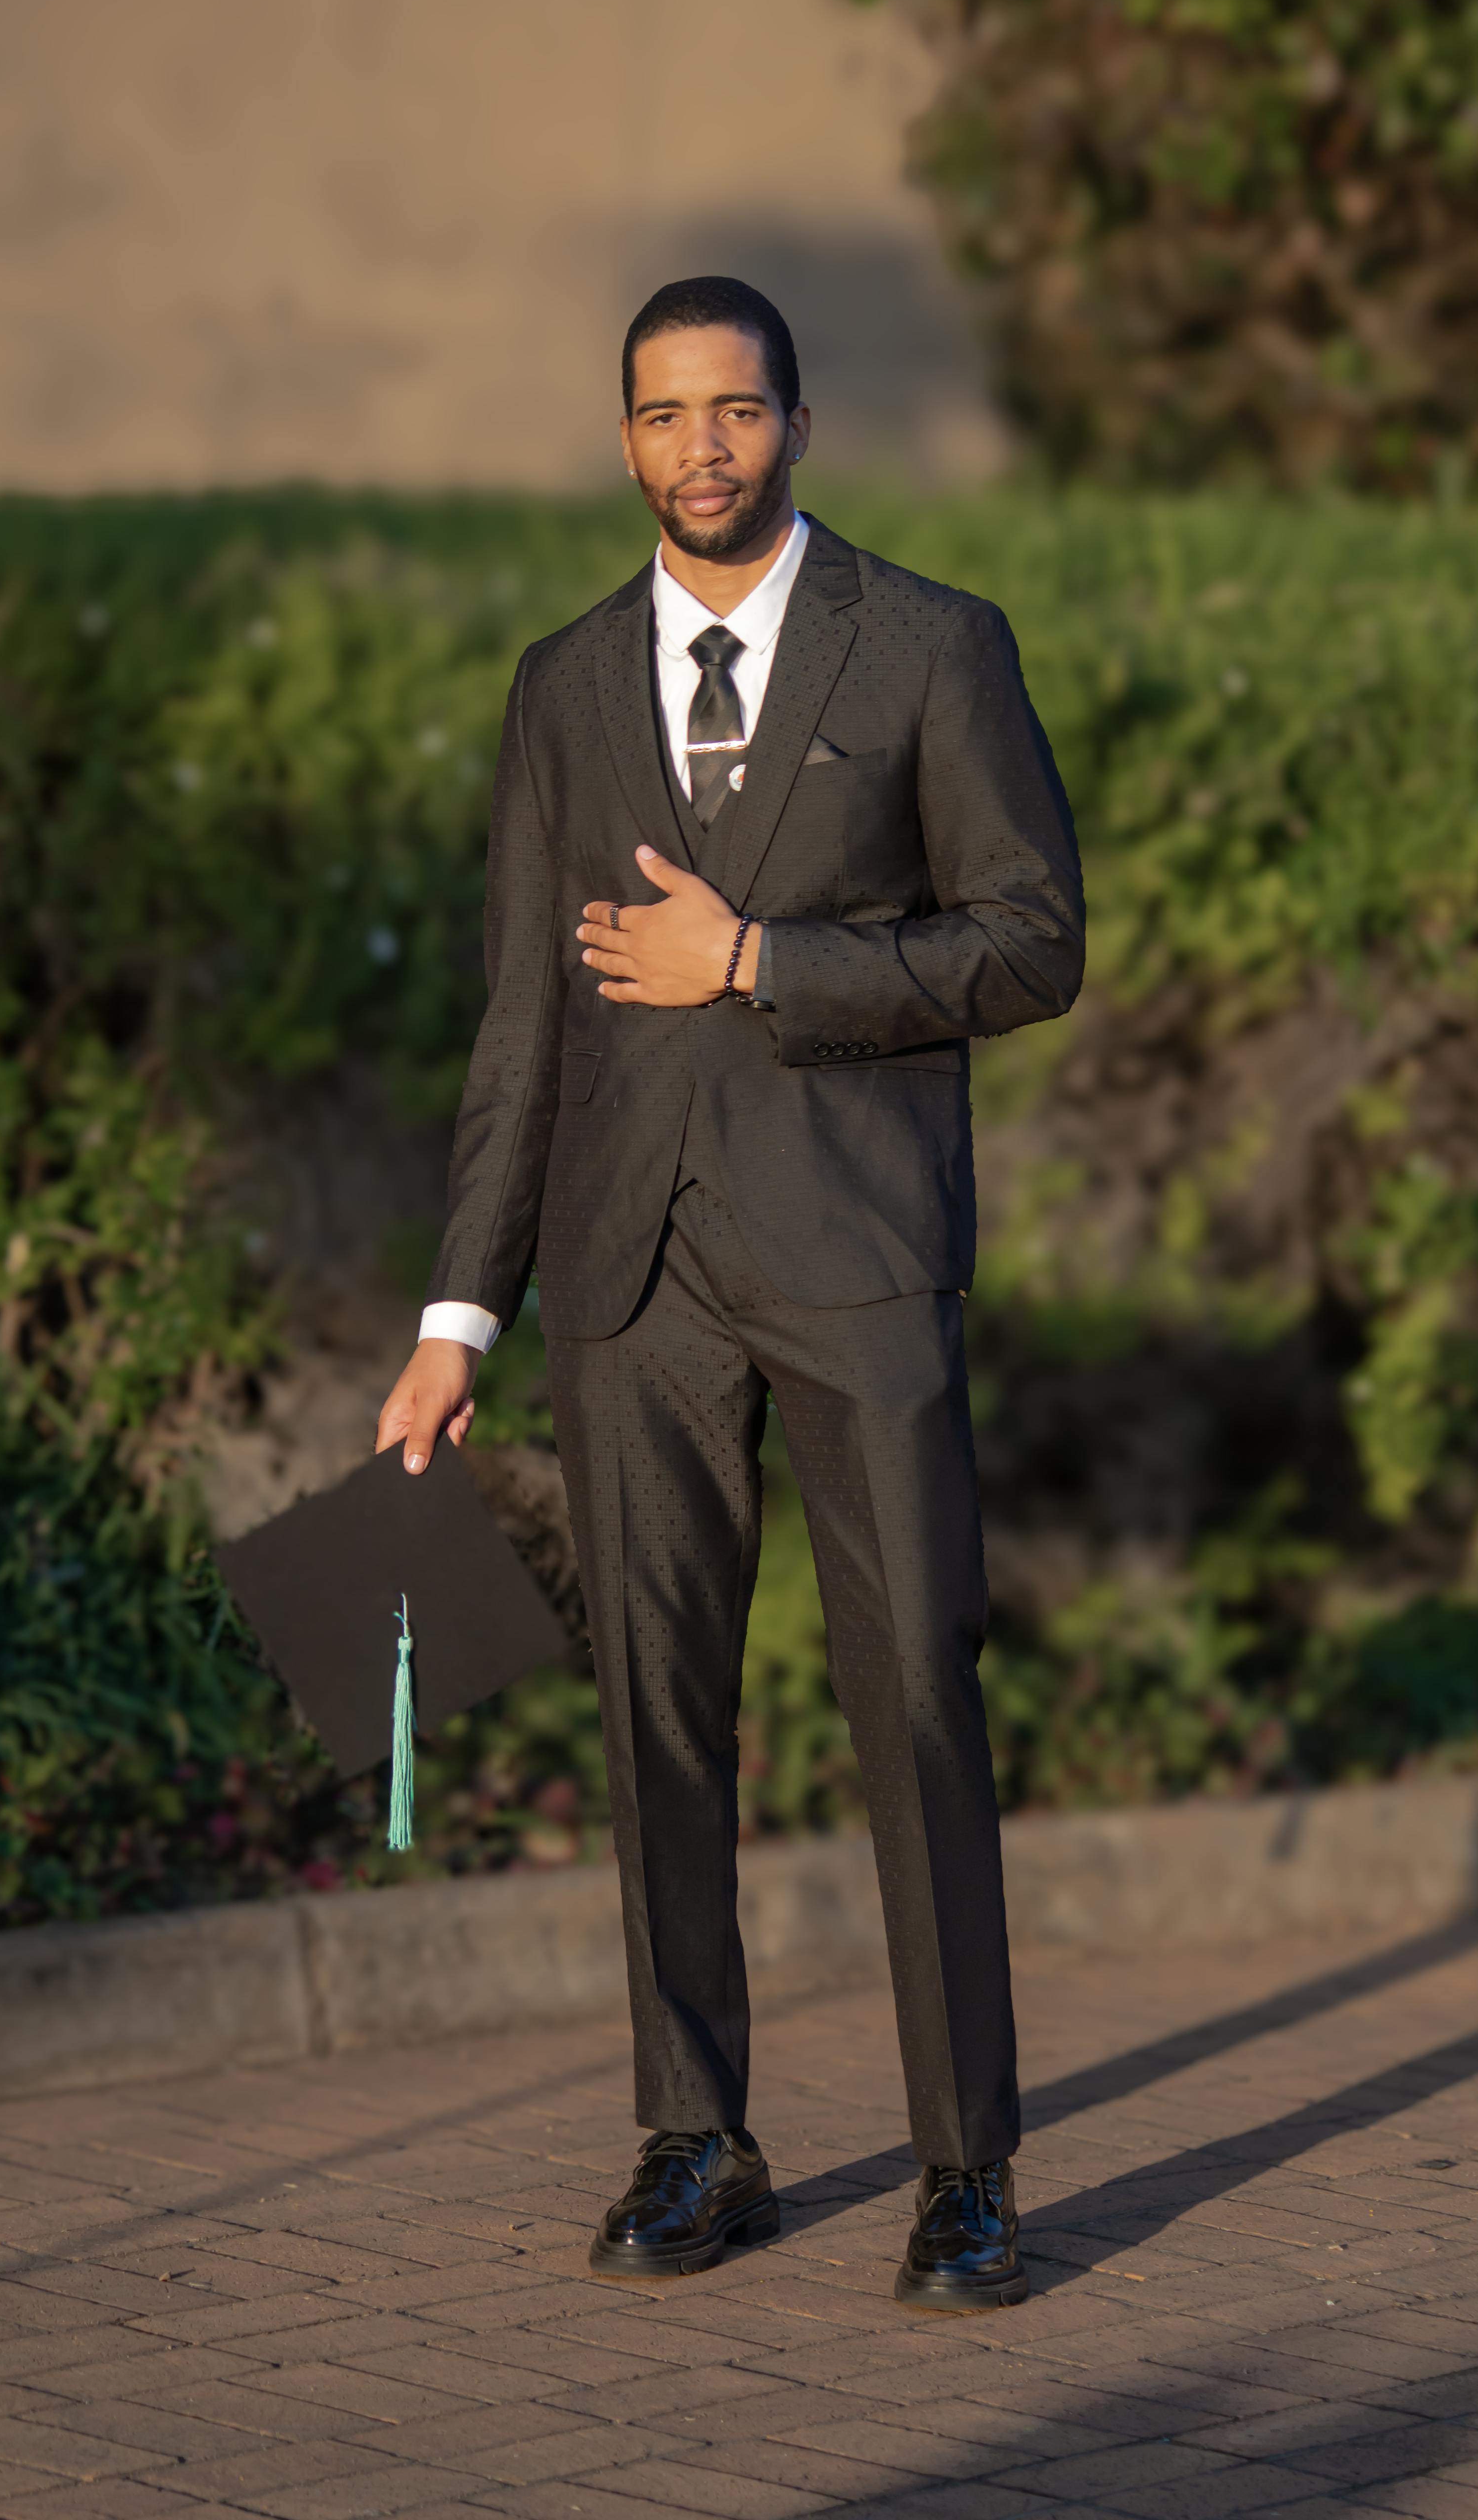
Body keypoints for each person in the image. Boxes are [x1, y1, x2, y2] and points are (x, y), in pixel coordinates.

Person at [376, 277, 1083, 2311]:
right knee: (658, 1715)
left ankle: (967, 2170)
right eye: (666, 415)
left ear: (794, 424)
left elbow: (1033, 943)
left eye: (739, 410)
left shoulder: (934, 644)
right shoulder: (567, 682)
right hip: (630, 1275)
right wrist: (459, 1316)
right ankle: (699, 2139)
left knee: (920, 1702)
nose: (704, 446)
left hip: (856, 1260)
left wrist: (764, 959)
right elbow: (524, 1018)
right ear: (624, 439)